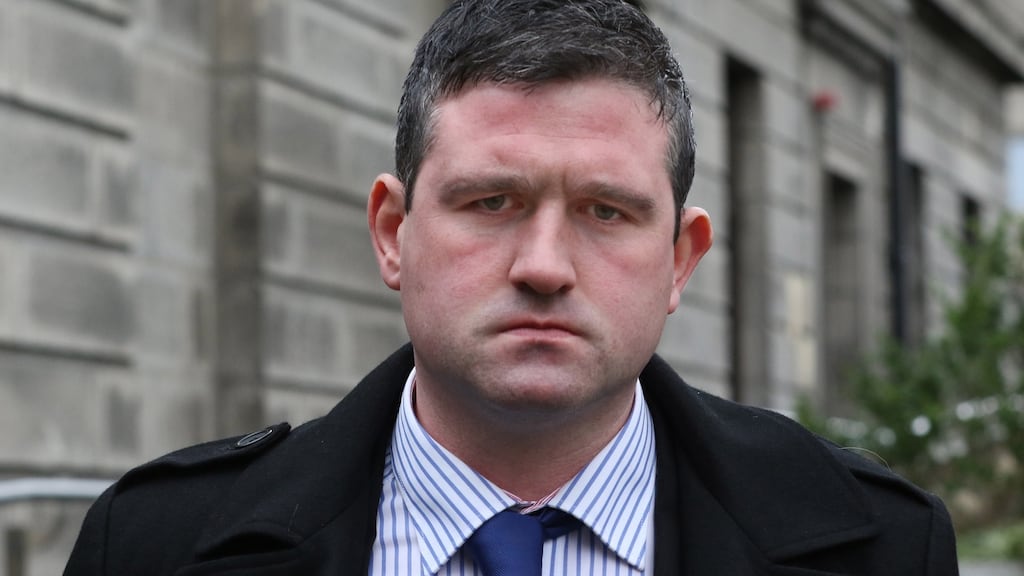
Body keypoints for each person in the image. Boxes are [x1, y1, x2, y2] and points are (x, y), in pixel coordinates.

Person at [65, 0, 958, 574]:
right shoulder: (152, 547)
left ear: (681, 260)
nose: (543, 264)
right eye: (491, 202)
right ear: (393, 234)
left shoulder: (884, 549)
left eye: (606, 211)